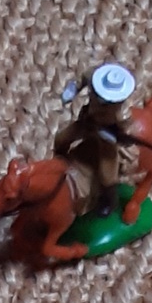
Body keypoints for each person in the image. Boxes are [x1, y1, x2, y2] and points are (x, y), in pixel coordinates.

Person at [53, 62, 138, 210]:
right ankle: (59, 161)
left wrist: (117, 136)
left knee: (107, 169)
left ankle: (108, 199)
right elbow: (80, 81)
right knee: (62, 138)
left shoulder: (121, 111)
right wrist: (72, 91)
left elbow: (126, 128)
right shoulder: (93, 77)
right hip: (87, 121)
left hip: (106, 133)